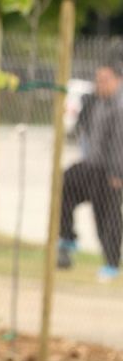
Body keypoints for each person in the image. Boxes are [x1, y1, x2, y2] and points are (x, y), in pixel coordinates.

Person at [58, 63, 123, 282]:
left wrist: (117, 173)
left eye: (104, 80)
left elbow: (119, 143)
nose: (99, 84)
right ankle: (67, 237)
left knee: (108, 217)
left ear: (118, 80)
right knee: (65, 181)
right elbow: (81, 126)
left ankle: (112, 264)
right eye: (97, 80)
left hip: (112, 172)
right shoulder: (98, 102)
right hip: (92, 166)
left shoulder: (119, 106)